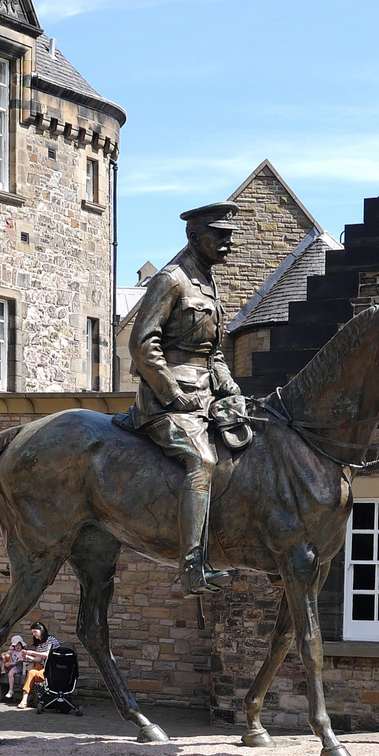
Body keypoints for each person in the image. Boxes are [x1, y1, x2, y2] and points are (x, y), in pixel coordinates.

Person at [124, 201, 246, 595]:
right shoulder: (171, 280)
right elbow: (142, 343)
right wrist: (173, 395)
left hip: (207, 396)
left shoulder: (208, 283)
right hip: (164, 401)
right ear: (195, 237)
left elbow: (214, 355)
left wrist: (229, 385)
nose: (228, 242)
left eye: (230, 235)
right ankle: (192, 564)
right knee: (202, 460)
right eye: (220, 235)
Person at [15, 621, 61, 708]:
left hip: (52, 666)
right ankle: (24, 699)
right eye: (32, 632)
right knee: (31, 672)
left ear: (41, 630)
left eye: (35, 632)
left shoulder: (51, 639)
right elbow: (39, 659)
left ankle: (29, 697)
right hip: (43, 665)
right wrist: (28, 657)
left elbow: (47, 654)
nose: (34, 634)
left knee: (35, 674)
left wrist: (32, 652)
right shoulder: (39, 644)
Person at [2, 635, 28, 700]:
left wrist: (9, 663)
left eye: (19, 645)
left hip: (18, 667)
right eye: (16, 645)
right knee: (4, 658)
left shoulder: (22, 653)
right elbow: (4, 654)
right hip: (10, 665)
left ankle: (11, 690)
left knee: (10, 673)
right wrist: (4, 657)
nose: (18, 647)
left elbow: (18, 662)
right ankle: (2, 669)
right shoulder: (12, 651)